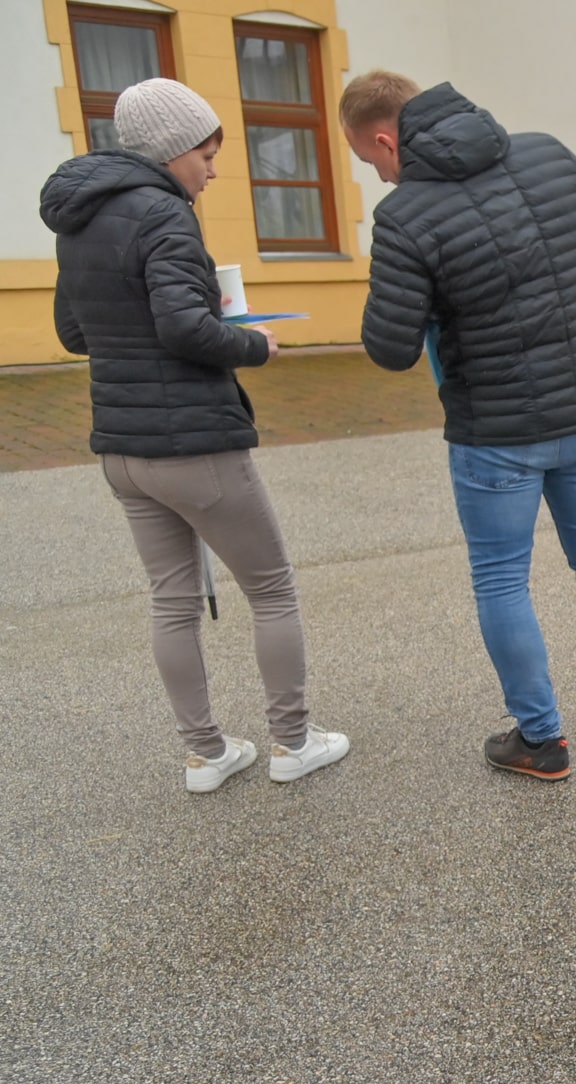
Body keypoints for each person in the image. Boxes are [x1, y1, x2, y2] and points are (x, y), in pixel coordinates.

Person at [40, 78, 349, 793]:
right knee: (271, 589)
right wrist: (252, 345)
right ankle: (293, 742)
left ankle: (205, 753)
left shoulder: (78, 219)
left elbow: (72, 332)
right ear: (173, 149)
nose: (213, 169)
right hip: (196, 448)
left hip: (122, 449)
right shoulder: (166, 214)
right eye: (207, 154)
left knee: (170, 600)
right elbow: (184, 327)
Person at [340, 71, 576, 781]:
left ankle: (542, 740)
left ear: (387, 139)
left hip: (495, 430)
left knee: (503, 579)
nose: (381, 176)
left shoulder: (407, 215)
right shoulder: (546, 152)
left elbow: (387, 348)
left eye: (371, 162)